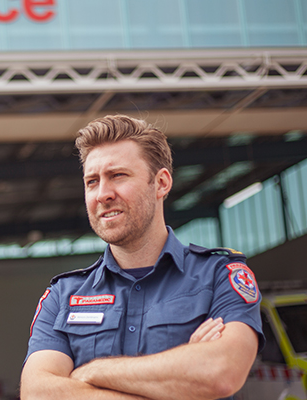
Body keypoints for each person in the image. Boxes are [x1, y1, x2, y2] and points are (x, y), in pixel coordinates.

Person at [20, 115, 264, 400]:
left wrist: (92, 372)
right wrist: (181, 378)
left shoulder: (220, 276)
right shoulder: (63, 297)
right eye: (92, 181)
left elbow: (221, 372)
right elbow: (38, 392)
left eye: (118, 176)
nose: (103, 194)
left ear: (161, 183)